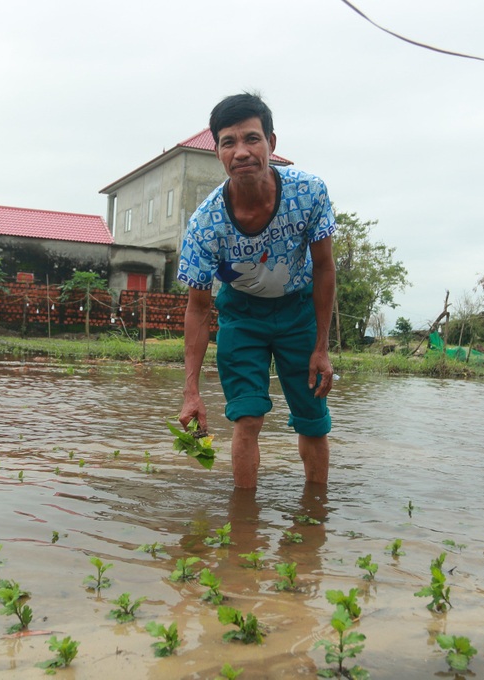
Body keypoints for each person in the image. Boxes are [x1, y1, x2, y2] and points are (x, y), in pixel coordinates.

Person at [177, 92, 336, 489]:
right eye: (229, 142)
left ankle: (314, 516)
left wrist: (321, 347)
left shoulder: (308, 193)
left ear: (271, 143)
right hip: (242, 317)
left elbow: (324, 267)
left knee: (313, 420)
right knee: (246, 418)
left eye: (252, 138)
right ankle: (244, 524)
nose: (242, 151)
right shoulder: (205, 225)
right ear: (217, 153)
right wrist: (191, 391)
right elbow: (198, 309)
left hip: (298, 313)